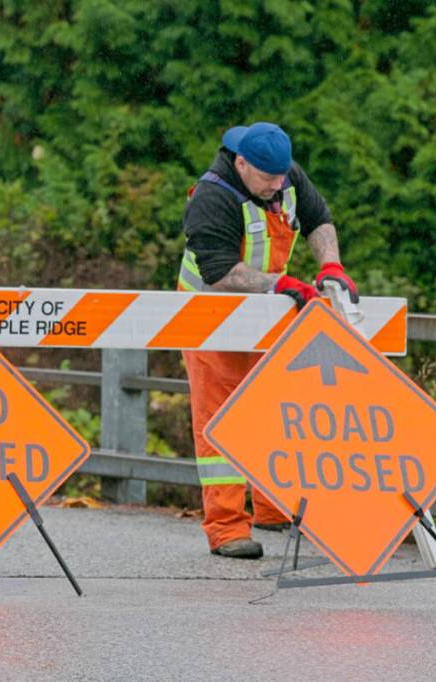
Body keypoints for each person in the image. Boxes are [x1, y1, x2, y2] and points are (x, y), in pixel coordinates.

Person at [178, 122, 358, 558]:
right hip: (212, 317)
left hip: (266, 312)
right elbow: (220, 274)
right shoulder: (213, 196)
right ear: (241, 163)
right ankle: (226, 528)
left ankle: (274, 508)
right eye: (267, 178)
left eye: (281, 177)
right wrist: (277, 285)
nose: (277, 185)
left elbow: (319, 220)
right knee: (218, 419)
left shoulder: (285, 175)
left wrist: (331, 266)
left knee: (277, 404)